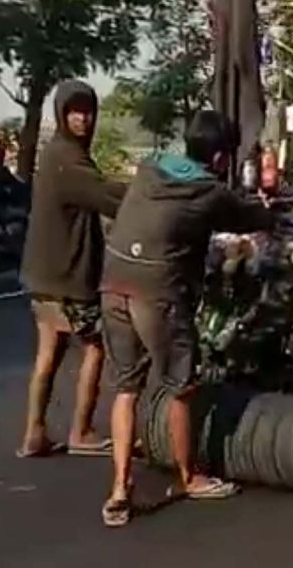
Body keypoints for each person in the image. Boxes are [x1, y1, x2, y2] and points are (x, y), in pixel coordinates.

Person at [100, 110, 275, 527]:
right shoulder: (210, 190)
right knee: (181, 385)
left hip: (113, 282)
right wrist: (270, 208)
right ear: (219, 158)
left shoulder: (149, 166)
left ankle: (119, 491)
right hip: (156, 291)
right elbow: (252, 217)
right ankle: (190, 476)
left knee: (127, 388)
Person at [18, 80, 127, 458]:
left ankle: (34, 432)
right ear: (62, 115)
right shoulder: (67, 158)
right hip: (67, 276)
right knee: (96, 347)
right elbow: (105, 195)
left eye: (87, 111)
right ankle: (81, 430)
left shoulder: (56, 154)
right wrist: (150, 194)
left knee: (48, 352)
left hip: (41, 274)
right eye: (75, 111)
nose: (82, 119)